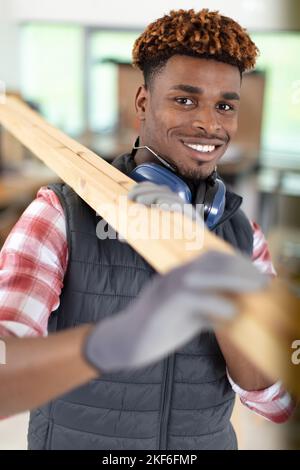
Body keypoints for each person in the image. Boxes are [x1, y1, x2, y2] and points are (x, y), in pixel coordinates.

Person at [0, 8, 294, 450]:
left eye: (225, 106)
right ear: (142, 102)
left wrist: (226, 302)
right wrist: (107, 345)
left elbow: (277, 403)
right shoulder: (60, 214)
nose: (209, 125)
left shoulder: (240, 234)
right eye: (185, 99)